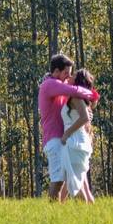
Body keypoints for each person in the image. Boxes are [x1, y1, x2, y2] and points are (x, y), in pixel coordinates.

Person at [38, 54, 99, 202]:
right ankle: (52, 214)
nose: (68, 76)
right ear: (56, 71)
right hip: (55, 139)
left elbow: (74, 105)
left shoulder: (59, 89)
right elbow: (75, 91)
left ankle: (59, 213)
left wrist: (86, 111)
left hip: (64, 140)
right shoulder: (49, 85)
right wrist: (92, 94)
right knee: (58, 179)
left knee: (66, 179)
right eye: (66, 73)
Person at [59, 69, 97, 203]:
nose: (70, 76)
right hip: (76, 141)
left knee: (74, 182)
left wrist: (66, 134)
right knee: (75, 181)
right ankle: (56, 208)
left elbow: (84, 117)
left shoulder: (76, 97)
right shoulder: (75, 97)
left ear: (78, 81)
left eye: (73, 75)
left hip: (75, 142)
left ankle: (57, 208)